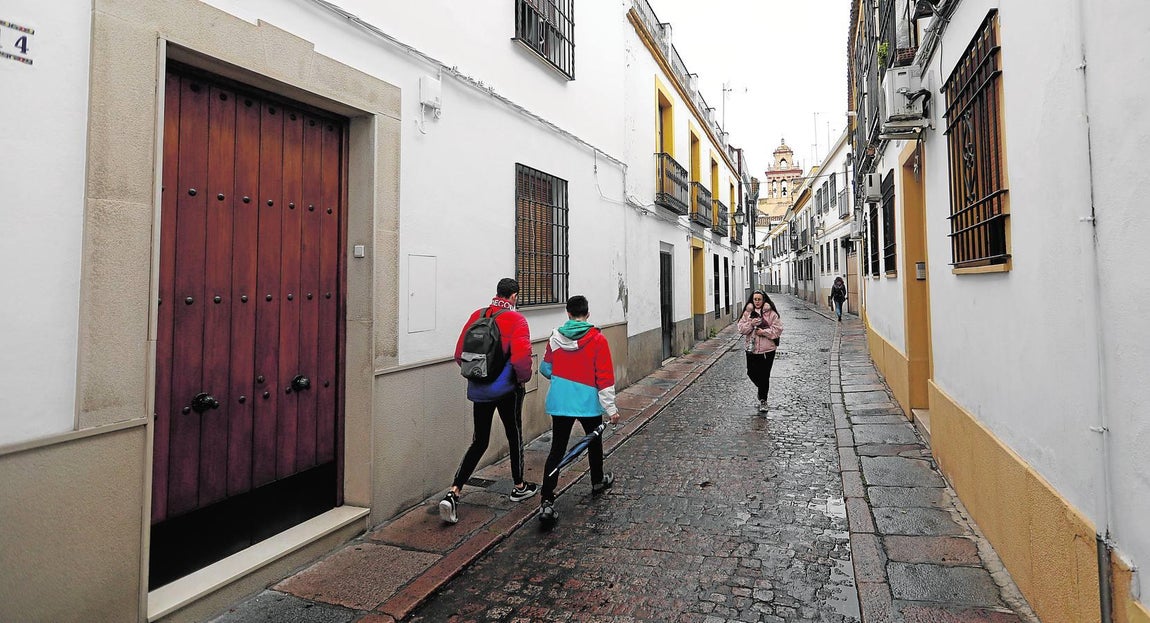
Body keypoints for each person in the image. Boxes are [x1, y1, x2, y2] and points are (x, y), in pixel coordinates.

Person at [440, 278, 538, 524]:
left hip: (480, 391)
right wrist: (521, 380)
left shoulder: (477, 315)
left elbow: (459, 354)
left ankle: (454, 492)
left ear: (497, 293)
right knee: (514, 434)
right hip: (507, 390)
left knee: (479, 441)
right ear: (513, 296)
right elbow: (521, 359)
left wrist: (480, 376)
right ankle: (519, 486)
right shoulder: (516, 320)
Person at [537, 295, 620, 526]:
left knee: (557, 449)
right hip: (587, 402)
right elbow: (604, 377)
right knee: (594, 442)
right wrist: (611, 408)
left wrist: (562, 376)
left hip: (561, 401)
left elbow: (545, 368)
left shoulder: (555, 338)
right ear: (588, 314)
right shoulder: (598, 339)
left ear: (568, 313)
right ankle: (597, 481)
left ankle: (547, 500)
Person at [737, 290, 783, 413]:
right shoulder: (748, 313)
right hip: (751, 349)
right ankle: (762, 388)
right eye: (755, 299)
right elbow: (741, 329)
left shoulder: (771, 313)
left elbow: (778, 330)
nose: (757, 302)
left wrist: (764, 332)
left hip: (768, 350)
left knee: (764, 376)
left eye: (759, 299)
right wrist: (750, 324)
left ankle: (763, 400)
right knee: (751, 373)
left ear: (763, 300)